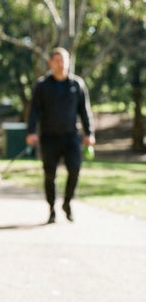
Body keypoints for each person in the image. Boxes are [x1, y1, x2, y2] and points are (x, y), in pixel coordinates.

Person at [26, 47, 95, 224]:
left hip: (71, 136)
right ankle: (51, 209)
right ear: (50, 63)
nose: (61, 63)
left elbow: (85, 111)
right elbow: (34, 111)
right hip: (49, 137)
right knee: (50, 174)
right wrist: (31, 132)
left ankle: (67, 202)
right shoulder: (42, 85)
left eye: (64, 60)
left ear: (68, 62)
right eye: (57, 60)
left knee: (74, 170)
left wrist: (89, 133)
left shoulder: (77, 84)